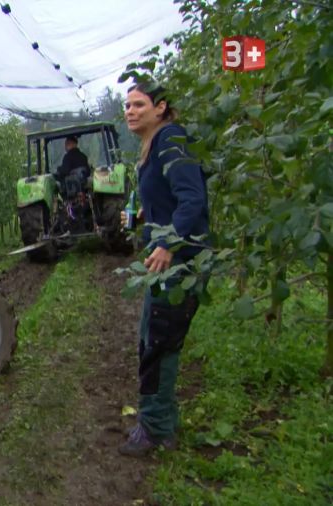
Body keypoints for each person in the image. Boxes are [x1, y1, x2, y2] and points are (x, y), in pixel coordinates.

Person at [118, 82, 209, 457]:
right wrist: (145, 213)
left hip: (180, 263)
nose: (130, 110)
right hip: (168, 263)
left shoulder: (171, 139)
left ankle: (154, 431)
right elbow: (170, 195)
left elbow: (192, 198)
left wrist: (168, 243)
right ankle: (162, 423)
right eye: (127, 104)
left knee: (157, 343)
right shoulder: (154, 147)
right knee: (155, 342)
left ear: (161, 108)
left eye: (139, 104)